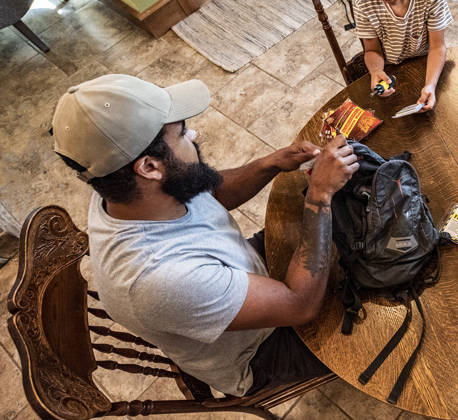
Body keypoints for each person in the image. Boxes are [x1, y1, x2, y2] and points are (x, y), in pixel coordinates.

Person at [51, 74, 359, 396]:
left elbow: (205, 192)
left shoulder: (120, 185)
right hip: (261, 350)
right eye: (182, 133)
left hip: (242, 269)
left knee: (352, 223)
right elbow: (301, 306)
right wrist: (319, 194)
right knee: (380, 312)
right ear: (150, 167)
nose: (193, 134)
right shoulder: (157, 281)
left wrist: (269, 164)